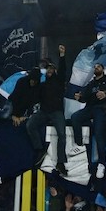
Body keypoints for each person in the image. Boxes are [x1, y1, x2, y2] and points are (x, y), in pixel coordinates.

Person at [26, 44, 69, 175]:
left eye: (52, 68)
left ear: (55, 71)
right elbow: (34, 96)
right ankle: (40, 149)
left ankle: (60, 163)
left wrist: (62, 56)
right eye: (48, 69)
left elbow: (63, 70)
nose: (49, 70)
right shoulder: (43, 85)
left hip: (56, 112)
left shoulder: (59, 81)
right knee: (30, 125)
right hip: (44, 111)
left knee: (62, 135)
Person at [70, 62, 106, 179]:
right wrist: (79, 98)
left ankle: (102, 163)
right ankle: (79, 144)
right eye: (95, 67)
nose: (96, 68)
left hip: (102, 110)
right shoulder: (91, 84)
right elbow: (85, 98)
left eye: (98, 67)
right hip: (90, 108)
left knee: (98, 134)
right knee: (75, 117)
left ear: (103, 69)